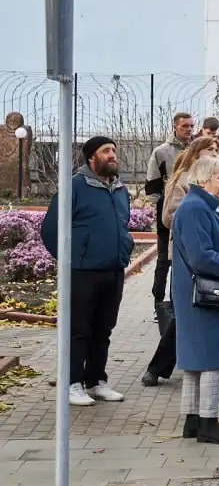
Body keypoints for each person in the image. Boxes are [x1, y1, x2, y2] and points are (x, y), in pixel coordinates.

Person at [40, 136, 134, 407]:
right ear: (92, 156)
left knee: (103, 328)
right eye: (107, 151)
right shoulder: (74, 187)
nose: (113, 155)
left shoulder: (119, 189)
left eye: (114, 150)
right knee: (78, 330)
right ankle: (72, 383)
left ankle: (96, 381)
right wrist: (71, 259)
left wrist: (124, 248)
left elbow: (122, 224)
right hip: (82, 271)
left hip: (113, 269)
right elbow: (51, 229)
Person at [170, 157, 219, 445]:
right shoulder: (195, 208)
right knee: (212, 358)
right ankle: (209, 423)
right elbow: (201, 256)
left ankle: (192, 419)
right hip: (204, 293)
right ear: (202, 180)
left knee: (195, 359)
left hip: (196, 292)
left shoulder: (203, 206)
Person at [142, 135, 219, 387]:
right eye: (210, 150)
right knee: (186, 311)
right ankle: (157, 367)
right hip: (187, 254)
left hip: (214, 250)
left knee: (205, 307)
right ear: (197, 153)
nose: (214, 154)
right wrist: (199, 219)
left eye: (216, 149)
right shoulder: (182, 179)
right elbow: (170, 217)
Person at [145, 112, 194, 304]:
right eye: (184, 126)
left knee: (185, 258)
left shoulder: (197, 149)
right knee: (165, 258)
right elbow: (152, 184)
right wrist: (158, 205)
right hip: (168, 210)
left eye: (191, 126)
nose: (189, 129)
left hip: (191, 208)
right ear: (175, 126)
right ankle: (158, 300)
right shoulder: (162, 152)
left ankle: (180, 302)